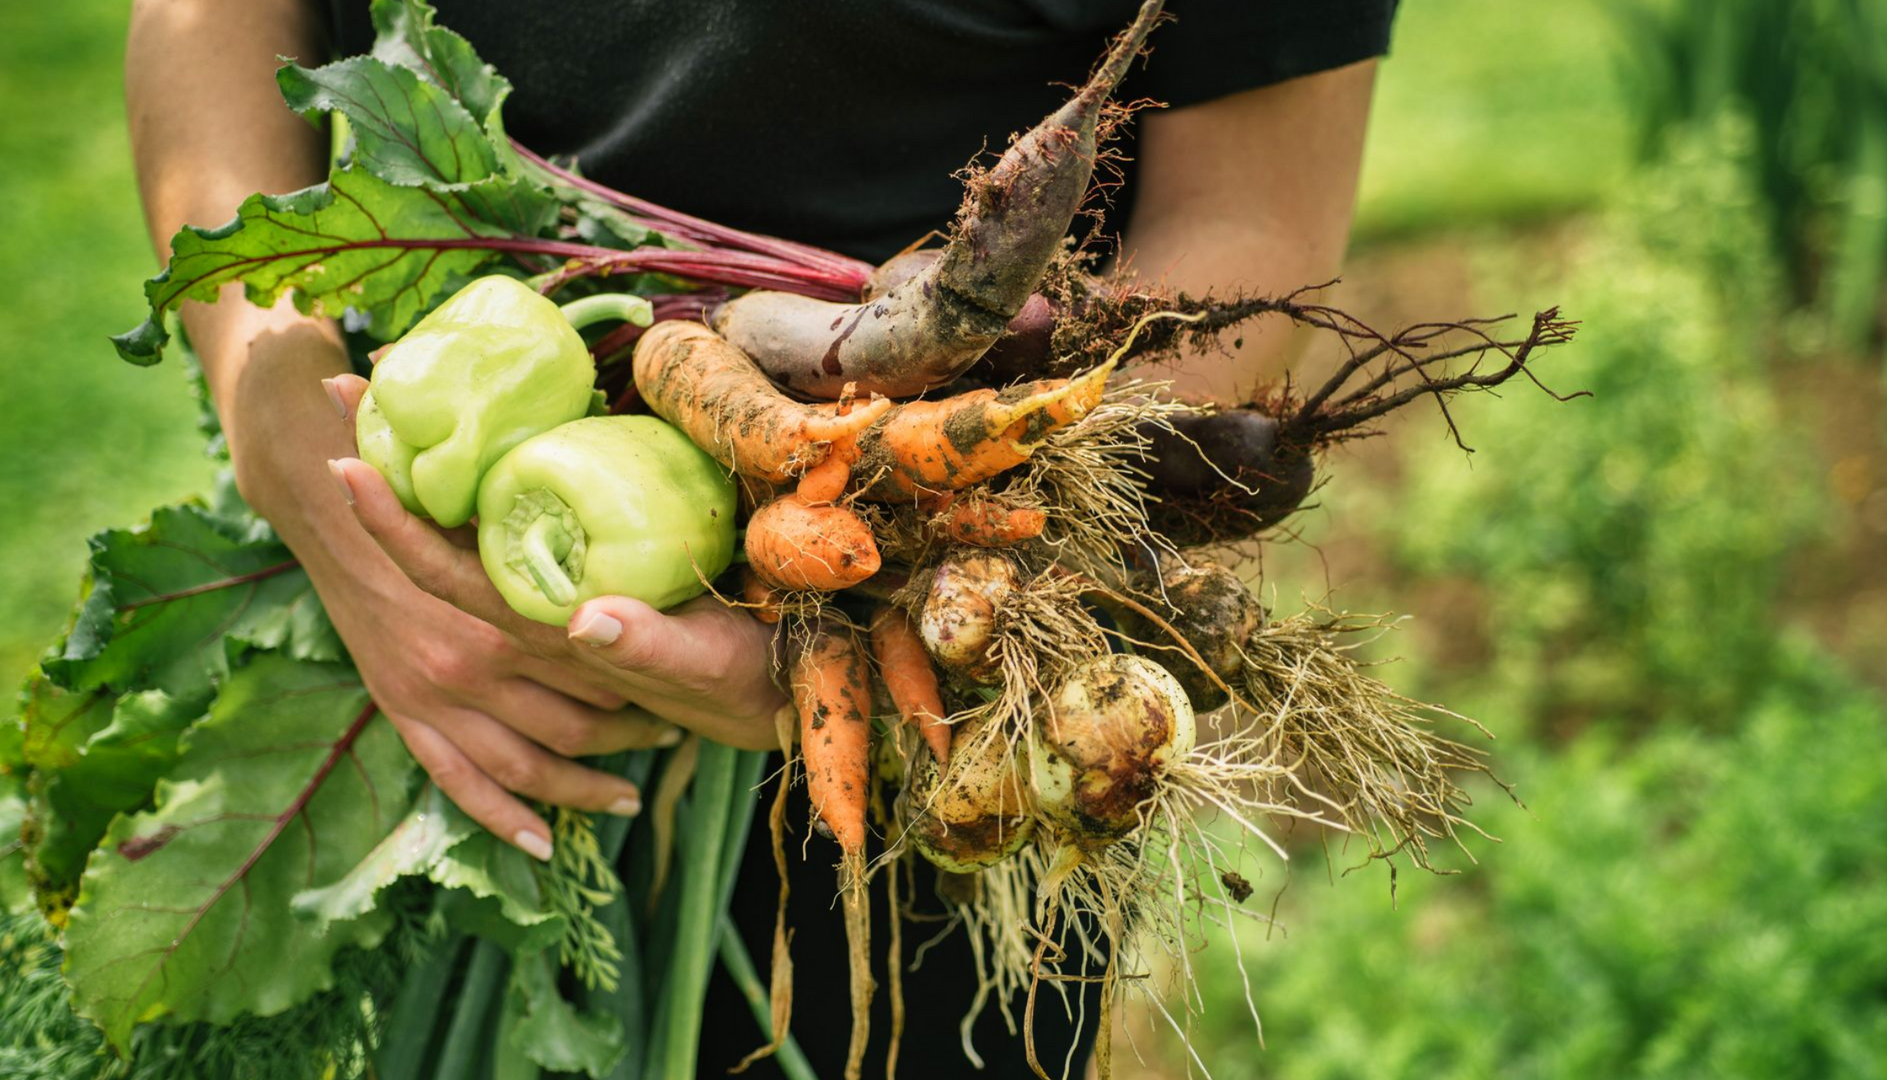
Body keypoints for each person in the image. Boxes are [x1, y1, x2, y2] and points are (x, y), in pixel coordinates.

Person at [125, 2, 1392, 1074]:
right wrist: (272, 397)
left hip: (945, 692)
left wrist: (886, 574)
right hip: (407, 586)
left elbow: (1250, 217)